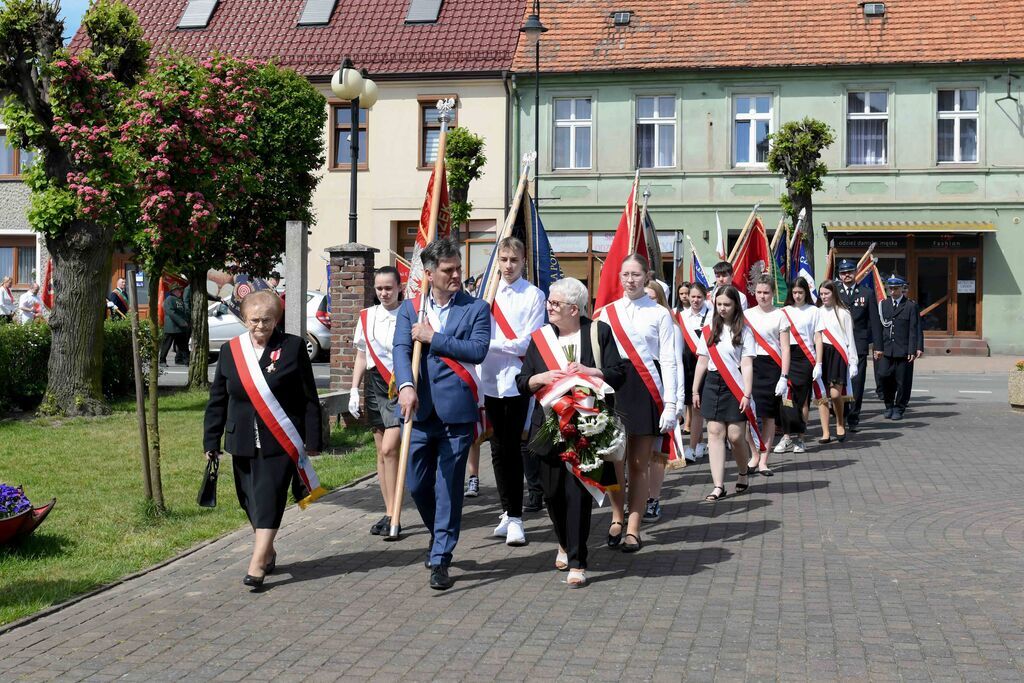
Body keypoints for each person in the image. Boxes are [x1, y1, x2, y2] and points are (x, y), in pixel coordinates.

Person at [203, 290, 322, 591]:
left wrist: (313, 439)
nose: (260, 326)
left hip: (279, 439)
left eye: (266, 320)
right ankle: (267, 550)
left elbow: (309, 397)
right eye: (254, 320)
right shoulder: (232, 350)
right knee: (249, 500)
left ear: (277, 319)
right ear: (244, 319)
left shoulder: (292, 347)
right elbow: (218, 398)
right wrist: (210, 440)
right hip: (240, 437)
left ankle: (256, 564)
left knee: (269, 495)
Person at [516, 277, 626, 588]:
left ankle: (578, 562)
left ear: (574, 309)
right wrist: (540, 377)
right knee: (551, 494)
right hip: (549, 427)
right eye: (549, 302)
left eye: (555, 303)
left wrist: (592, 372)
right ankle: (564, 541)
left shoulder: (598, 332)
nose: (548, 307)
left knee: (578, 494)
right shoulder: (540, 339)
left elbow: (620, 374)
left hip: (587, 427)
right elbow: (521, 382)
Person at [394, 238, 491, 590]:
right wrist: (405, 385)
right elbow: (401, 350)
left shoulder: (476, 308)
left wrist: (434, 338)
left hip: (456, 412)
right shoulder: (411, 309)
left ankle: (441, 557)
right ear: (430, 273)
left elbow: (478, 350)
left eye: (458, 268)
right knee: (417, 484)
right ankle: (439, 534)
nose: (456, 275)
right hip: (418, 411)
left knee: (448, 486)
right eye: (448, 270)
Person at [597, 253, 677, 553]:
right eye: (625, 274)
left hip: (645, 389)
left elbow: (669, 361)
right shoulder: (606, 313)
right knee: (614, 460)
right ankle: (616, 516)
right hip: (614, 388)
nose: (630, 280)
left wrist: (671, 403)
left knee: (638, 464)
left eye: (635, 274)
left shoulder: (659, 314)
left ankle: (633, 526)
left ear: (647, 276)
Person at [479, 237, 546, 547]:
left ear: (523, 262)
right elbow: (474, 333)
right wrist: (488, 347)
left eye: (514, 260)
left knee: (513, 445)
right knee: (496, 447)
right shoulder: (486, 293)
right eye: (503, 259)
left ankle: (518, 518)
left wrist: (489, 346)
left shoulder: (534, 295)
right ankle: (507, 511)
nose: (508, 265)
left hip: (518, 380)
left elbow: (528, 342)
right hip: (489, 379)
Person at [349, 266, 403, 536]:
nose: (384, 293)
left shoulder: (408, 314)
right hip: (374, 385)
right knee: (380, 453)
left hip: (398, 386)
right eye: (379, 288)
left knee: (390, 450)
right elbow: (361, 355)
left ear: (399, 287)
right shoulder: (367, 316)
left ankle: (396, 514)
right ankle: (389, 511)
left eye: (388, 288)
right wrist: (353, 389)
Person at [692, 285, 757, 501]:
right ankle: (718, 486)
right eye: (719, 304)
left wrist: (747, 393)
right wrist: (695, 389)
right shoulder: (710, 330)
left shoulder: (745, 331)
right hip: (712, 383)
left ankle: (742, 472)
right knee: (715, 433)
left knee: (736, 436)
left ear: (736, 306)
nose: (722, 308)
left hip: (736, 385)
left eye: (727, 304)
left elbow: (747, 364)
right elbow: (702, 361)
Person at [642, 280, 685, 522]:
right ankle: (636, 497)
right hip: (636, 389)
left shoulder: (670, 324)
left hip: (659, 388)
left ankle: (653, 499)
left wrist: (677, 400)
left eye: (651, 297)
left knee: (656, 451)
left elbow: (675, 363)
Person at [743, 275, 791, 474]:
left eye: (766, 293)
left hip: (772, 367)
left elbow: (786, 348)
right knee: (748, 415)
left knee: (769, 417)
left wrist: (784, 377)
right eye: (759, 292)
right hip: (750, 366)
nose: (762, 296)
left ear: (773, 293)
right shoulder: (746, 315)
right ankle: (754, 454)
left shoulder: (780, 315)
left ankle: (764, 459)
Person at [775, 277, 822, 455]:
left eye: (800, 292)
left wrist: (819, 362)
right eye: (794, 292)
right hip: (787, 356)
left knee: (802, 400)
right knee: (786, 400)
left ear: (806, 293)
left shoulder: (814, 310)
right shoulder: (784, 311)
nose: (797, 296)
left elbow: (818, 337)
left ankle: (801, 438)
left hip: (805, 358)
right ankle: (786, 437)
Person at [836, 260, 882, 431]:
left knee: (857, 383)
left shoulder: (867, 293)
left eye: (849, 272)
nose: (846, 275)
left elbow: (875, 321)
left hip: (859, 344)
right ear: (839, 274)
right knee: (838, 381)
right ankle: (840, 415)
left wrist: (878, 346)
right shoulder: (834, 291)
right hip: (838, 343)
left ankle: (853, 418)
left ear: (855, 272)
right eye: (843, 272)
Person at [816, 280, 858, 443]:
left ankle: (840, 422)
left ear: (834, 293)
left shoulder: (843, 313)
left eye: (827, 293)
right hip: (821, 354)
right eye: (821, 294)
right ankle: (825, 431)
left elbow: (850, 339)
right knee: (822, 395)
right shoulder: (817, 312)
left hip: (838, 354)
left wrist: (853, 361)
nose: (824, 296)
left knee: (835, 394)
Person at [877, 275, 919, 420]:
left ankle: (899, 408)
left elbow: (914, 329)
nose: (893, 292)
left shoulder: (910, 306)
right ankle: (888, 405)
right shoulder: (883, 305)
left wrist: (913, 349)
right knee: (883, 376)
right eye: (890, 289)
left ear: (902, 289)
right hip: (887, 349)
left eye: (896, 289)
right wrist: (878, 347)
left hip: (903, 349)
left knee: (902, 382)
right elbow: (879, 328)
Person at [678, 282, 710, 462]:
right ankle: (697, 444)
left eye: (699, 297)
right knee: (693, 405)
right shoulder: (681, 316)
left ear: (705, 297)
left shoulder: (712, 314)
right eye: (693, 297)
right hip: (688, 365)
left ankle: (695, 446)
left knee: (700, 407)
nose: (696, 300)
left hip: (707, 365)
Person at [159, 284, 190, 366]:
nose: (180, 291)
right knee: (166, 345)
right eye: (178, 290)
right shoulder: (169, 299)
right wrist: (182, 322)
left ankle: (187, 360)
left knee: (183, 345)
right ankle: (162, 360)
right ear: (174, 291)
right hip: (171, 327)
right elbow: (171, 313)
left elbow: (182, 312)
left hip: (179, 328)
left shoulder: (178, 300)